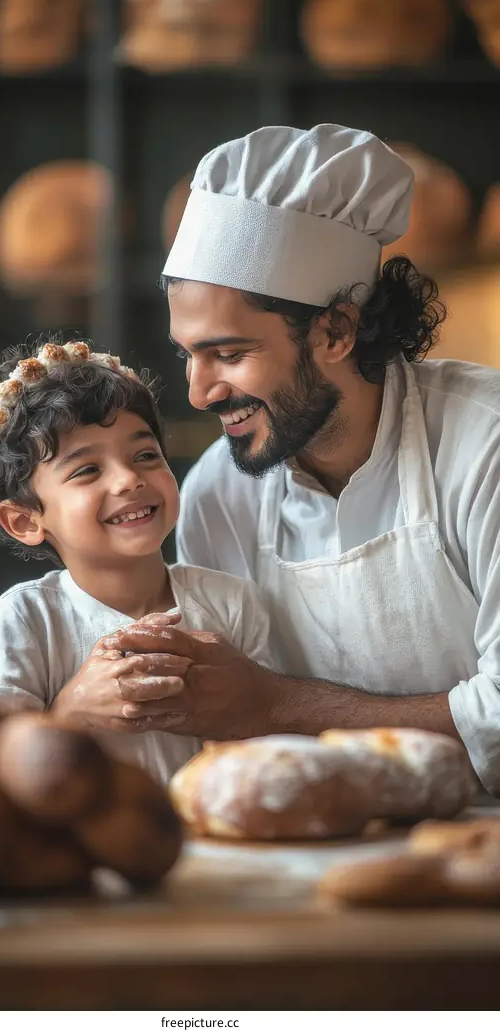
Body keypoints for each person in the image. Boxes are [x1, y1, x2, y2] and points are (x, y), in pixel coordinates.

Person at [101, 123, 500, 796]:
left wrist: (274, 704)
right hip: (300, 857)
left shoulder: (483, 444)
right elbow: (219, 737)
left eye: (228, 353)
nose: (200, 391)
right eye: (187, 355)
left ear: (336, 330)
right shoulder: (218, 495)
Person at [0, 337, 276, 784]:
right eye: (87, 470)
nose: (129, 480)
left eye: (145, 455)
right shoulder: (25, 620)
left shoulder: (232, 603)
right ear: (25, 521)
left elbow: (269, 742)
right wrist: (74, 708)